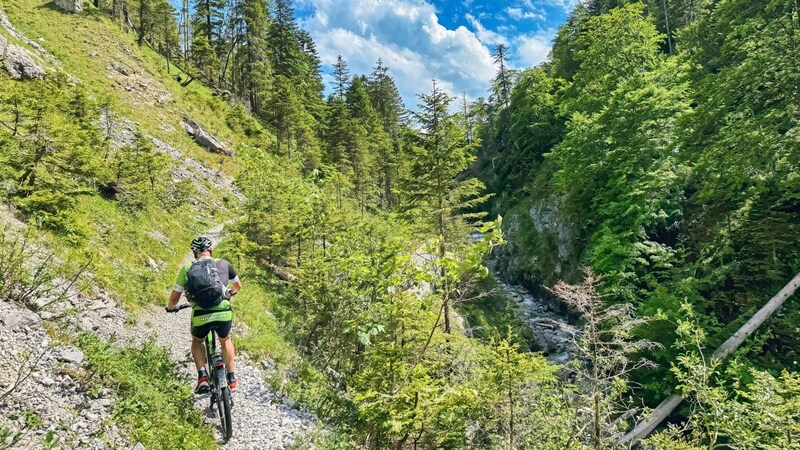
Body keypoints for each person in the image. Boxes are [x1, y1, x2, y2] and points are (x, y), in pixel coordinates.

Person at [166, 236, 241, 393]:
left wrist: (171, 307)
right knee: (225, 339)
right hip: (223, 311)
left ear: (194, 253)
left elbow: (174, 297)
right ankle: (232, 378)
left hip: (201, 315)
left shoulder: (187, 269)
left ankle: (202, 377)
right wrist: (230, 294)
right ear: (211, 250)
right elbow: (237, 285)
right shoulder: (223, 263)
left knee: (197, 342)